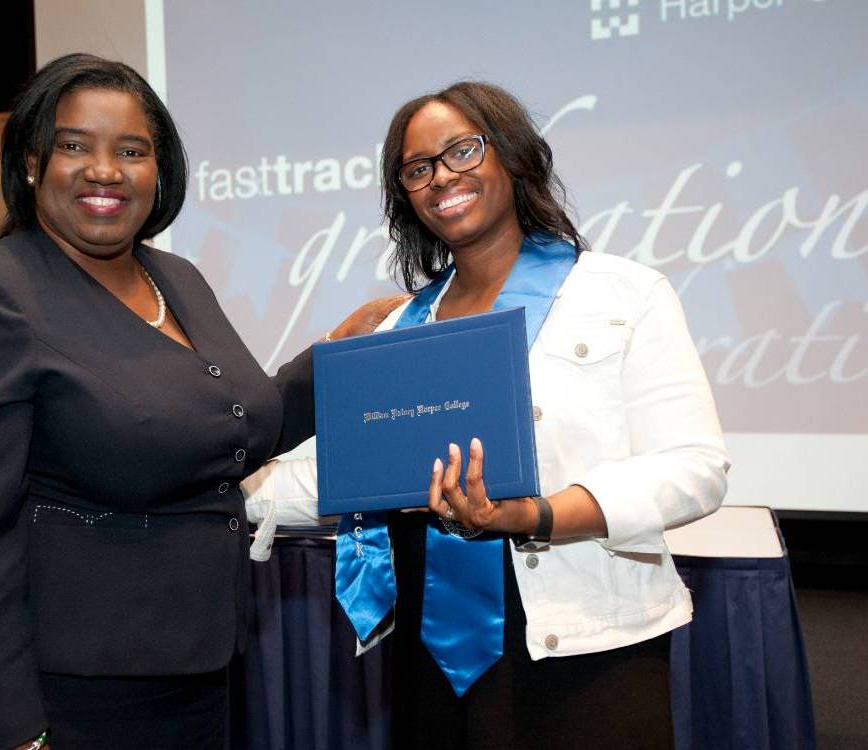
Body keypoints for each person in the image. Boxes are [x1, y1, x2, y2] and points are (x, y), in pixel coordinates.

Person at [0, 53, 398, 750]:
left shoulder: (174, 278)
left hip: (190, 669)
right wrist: (10, 733)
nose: (104, 170)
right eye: (74, 146)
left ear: (160, 170)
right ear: (32, 164)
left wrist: (340, 356)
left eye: (131, 150)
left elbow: (229, 426)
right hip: (58, 691)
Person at [242, 81, 730, 748]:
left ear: (514, 158)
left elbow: (695, 469)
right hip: (434, 650)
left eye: (462, 151)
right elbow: (342, 475)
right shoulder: (394, 328)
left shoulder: (624, 293)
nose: (442, 176)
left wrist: (535, 514)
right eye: (418, 168)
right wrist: (205, 479)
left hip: (588, 647)